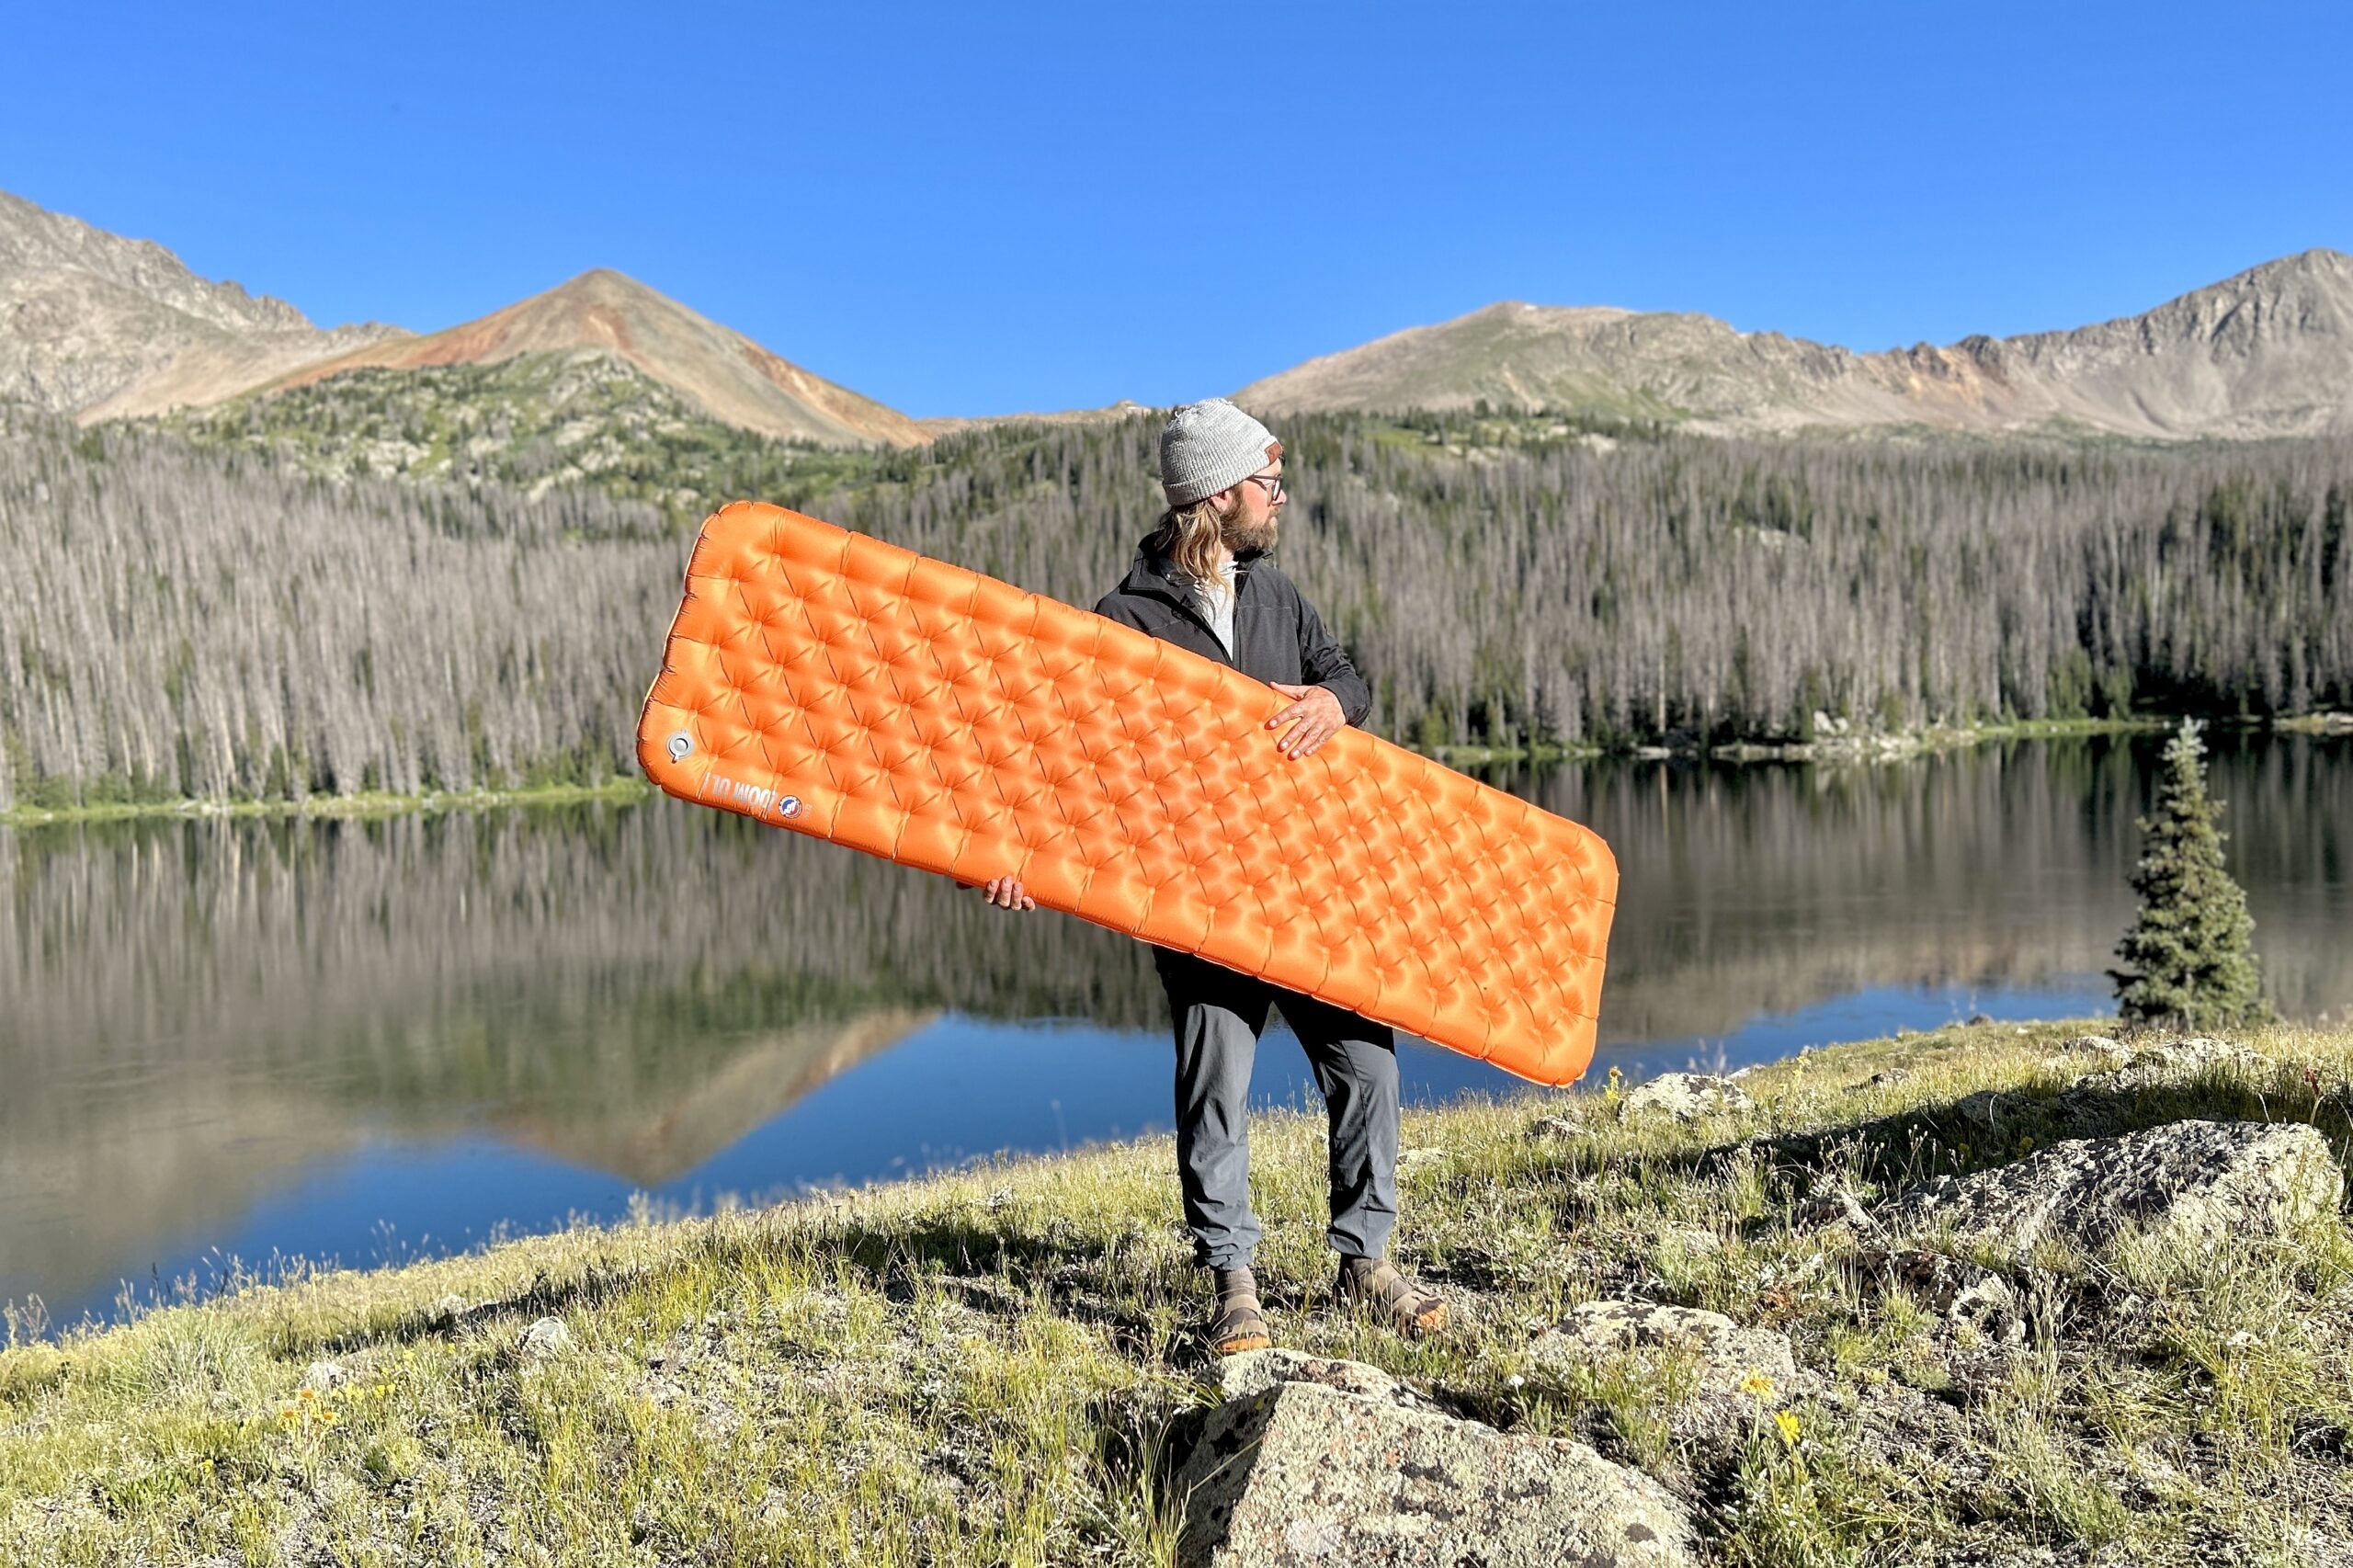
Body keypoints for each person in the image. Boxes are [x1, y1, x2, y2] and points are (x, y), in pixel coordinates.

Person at [974, 398, 1447, 1355]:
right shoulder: (1123, 618)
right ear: (1219, 493)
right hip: (1197, 894)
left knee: (1367, 1066)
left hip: (1311, 884)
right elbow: (1077, 762)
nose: (1281, 498)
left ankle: (1367, 1262)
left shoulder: (1280, 600)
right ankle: (1233, 1281)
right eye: (1268, 484)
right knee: (1214, 1084)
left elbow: (1348, 675)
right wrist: (1022, 855)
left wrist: (1331, 702)